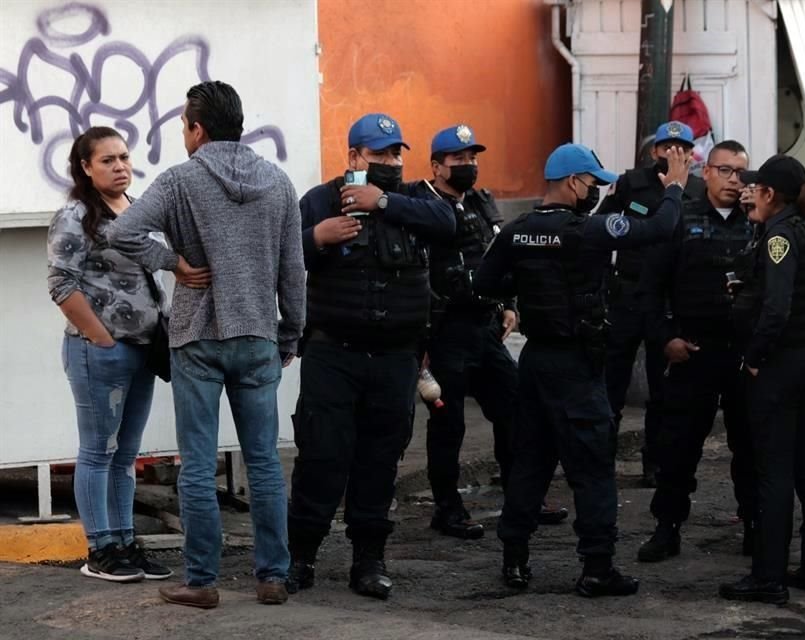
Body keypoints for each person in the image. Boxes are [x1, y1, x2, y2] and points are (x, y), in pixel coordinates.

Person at [107, 81, 305, 608]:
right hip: (259, 334)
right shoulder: (278, 182)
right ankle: (273, 577)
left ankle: (201, 581)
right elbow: (293, 270)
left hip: (196, 337)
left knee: (197, 464)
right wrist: (290, 332)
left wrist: (172, 263)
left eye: (184, 128)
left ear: (198, 129)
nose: (184, 137)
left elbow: (122, 233)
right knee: (263, 462)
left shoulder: (180, 181)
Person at [475, 142, 689, 597]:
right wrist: (673, 189)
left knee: (530, 462)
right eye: (592, 183)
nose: (595, 191)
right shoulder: (588, 231)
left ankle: (514, 560)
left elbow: (484, 283)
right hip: (577, 363)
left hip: (534, 362)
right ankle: (597, 568)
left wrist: (532, 285)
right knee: (592, 467)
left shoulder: (516, 230)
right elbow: (660, 228)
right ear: (573, 182)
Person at [287, 113, 455, 600]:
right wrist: (318, 237)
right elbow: (282, 257)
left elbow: (447, 223)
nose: (391, 162)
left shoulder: (416, 199)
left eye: (396, 154)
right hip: (332, 354)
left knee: (380, 461)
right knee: (321, 456)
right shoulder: (320, 200)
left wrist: (382, 201)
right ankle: (301, 559)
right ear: (354, 157)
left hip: (396, 358)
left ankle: (369, 561)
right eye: (380, 154)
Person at [411, 124, 567, 540]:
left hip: (485, 327)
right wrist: (420, 341)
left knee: (516, 408)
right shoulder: (421, 204)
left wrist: (509, 305)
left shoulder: (480, 203)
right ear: (436, 165)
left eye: (472, 158)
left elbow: (499, 258)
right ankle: (447, 508)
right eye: (458, 159)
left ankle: (523, 495)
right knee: (449, 423)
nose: (467, 165)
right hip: (445, 331)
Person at [47, 126, 172, 584]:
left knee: (126, 454)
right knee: (97, 451)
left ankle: (124, 542)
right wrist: (101, 338)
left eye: (123, 157)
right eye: (107, 160)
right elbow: (62, 285)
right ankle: (99, 548)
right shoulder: (75, 215)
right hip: (99, 351)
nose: (120, 166)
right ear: (85, 167)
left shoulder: (136, 209)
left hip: (142, 350)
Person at [719, 154, 805, 604]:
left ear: (772, 194)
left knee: (773, 471)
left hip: (782, 363)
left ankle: (768, 577)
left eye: (756, 187)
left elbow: (776, 307)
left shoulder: (780, 239)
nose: (748, 191)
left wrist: (753, 357)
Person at [635, 141, 758, 563]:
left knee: (751, 447)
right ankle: (667, 528)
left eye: (741, 172)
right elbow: (650, 286)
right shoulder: (678, 218)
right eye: (725, 170)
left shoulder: (758, 221)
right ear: (705, 172)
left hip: (742, 354)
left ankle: (755, 526)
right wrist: (665, 338)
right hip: (693, 350)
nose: (734, 180)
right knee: (679, 447)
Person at [596, 121, 705, 487]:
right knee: (612, 383)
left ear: (691, 155)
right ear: (654, 151)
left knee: (663, 390)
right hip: (627, 294)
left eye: (681, 149)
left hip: (666, 303)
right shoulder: (631, 183)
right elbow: (602, 224)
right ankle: (602, 460)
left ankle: (654, 463)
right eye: (666, 148)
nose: (673, 155)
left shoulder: (698, 190)